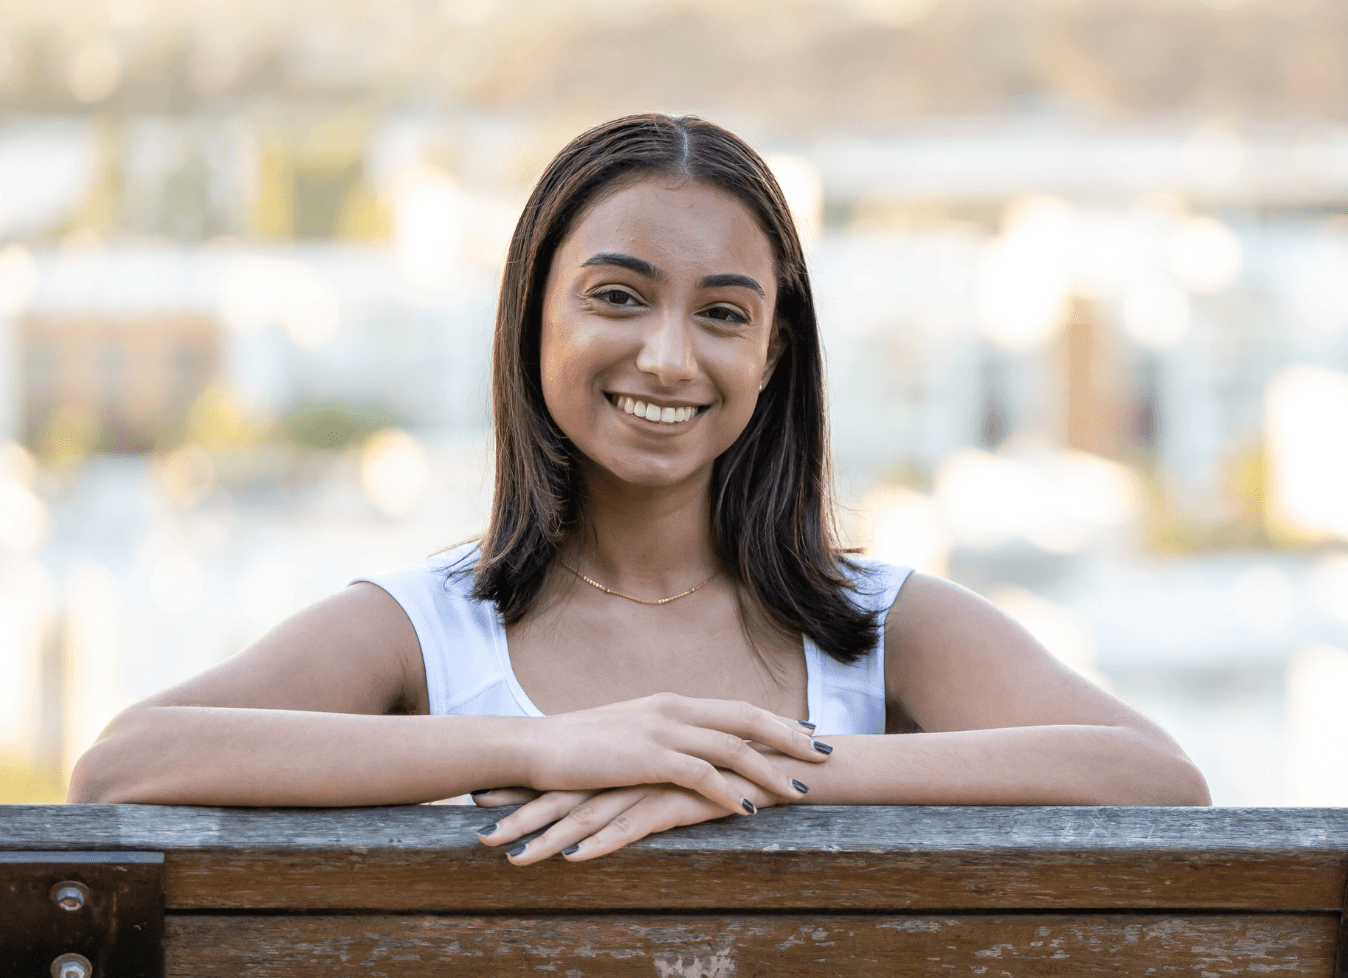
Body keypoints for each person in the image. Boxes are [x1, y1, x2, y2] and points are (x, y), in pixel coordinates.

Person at [68, 114, 1210, 863]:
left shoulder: (878, 625)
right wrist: (545, 748)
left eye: (722, 313)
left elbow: (1158, 781)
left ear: (771, 359)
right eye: (617, 297)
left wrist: (744, 771)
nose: (668, 356)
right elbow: (124, 767)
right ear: (533, 319)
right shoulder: (425, 628)